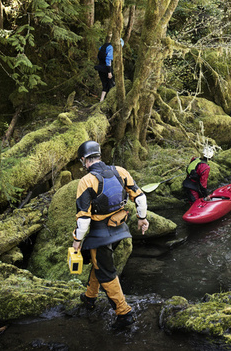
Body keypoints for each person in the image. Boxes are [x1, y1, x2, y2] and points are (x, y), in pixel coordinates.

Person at [72, 140, 149, 329]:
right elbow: (140, 197)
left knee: (105, 270)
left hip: (101, 235)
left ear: (84, 160)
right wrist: (142, 218)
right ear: (98, 155)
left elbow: (83, 220)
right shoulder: (120, 171)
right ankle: (90, 297)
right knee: (99, 263)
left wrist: (77, 241)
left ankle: (124, 313)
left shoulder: (87, 181)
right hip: (120, 230)